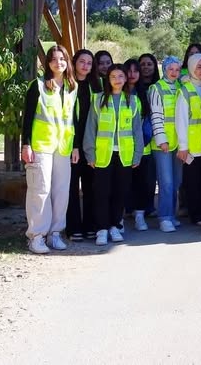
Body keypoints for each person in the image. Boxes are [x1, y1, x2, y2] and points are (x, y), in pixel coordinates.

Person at [21, 45, 78, 254]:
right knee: (40, 190)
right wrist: (25, 144)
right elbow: (27, 118)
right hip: (41, 146)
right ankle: (37, 236)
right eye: (54, 59)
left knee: (61, 191)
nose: (58, 63)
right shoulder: (38, 86)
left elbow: (74, 119)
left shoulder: (73, 88)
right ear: (48, 64)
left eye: (62, 59)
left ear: (67, 62)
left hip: (63, 146)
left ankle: (55, 233)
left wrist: (77, 146)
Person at [84, 64, 144, 246]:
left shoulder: (133, 101)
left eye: (120, 76)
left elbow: (137, 130)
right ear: (108, 80)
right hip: (103, 155)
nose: (117, 79)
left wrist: (137, 154)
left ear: (126, 79)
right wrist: (90, 154)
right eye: (113, 76)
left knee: (120, 192)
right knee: (102, 193)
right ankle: (101, 229)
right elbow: (90, 128)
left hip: (124, 155)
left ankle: (115, 226)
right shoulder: (98, 99)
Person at [176, 53, 201, 227]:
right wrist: (183, 147)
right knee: (193, 182)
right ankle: (196, 215)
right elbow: (180, 120)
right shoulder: (185, 90)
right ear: (191, 68)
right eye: (199, 67)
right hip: (192, 146)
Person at [150, 56, 184, 232]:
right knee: (166, 182)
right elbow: (156, 116)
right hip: (162, 144)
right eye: (171, 69)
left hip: (178, 143)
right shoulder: (157, 88)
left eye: (177, 70)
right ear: (164, 70)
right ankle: (164, 217)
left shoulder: (180, 87)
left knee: (177, 181)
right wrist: (161, 139)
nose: (174, 73)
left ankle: (171, 215)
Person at [66, 48, 96, 242]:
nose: (85, 66)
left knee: (91, 186)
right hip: (71, 144)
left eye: (89, 63)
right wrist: (75, 145)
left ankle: (90, 225)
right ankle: (73, 227)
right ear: (74, 63)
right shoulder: (68, 86)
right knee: (71, 188)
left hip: (91, 144)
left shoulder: (97, 85)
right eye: (82, 62)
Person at [131, 54, 160, 231]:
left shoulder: (150, 89)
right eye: (143, 64)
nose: (146, 67)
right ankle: (130, 210)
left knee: (147, 180)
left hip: (148, 143)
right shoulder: (120, 91)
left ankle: (144, 209)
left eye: (150, 64)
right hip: (125, 145)